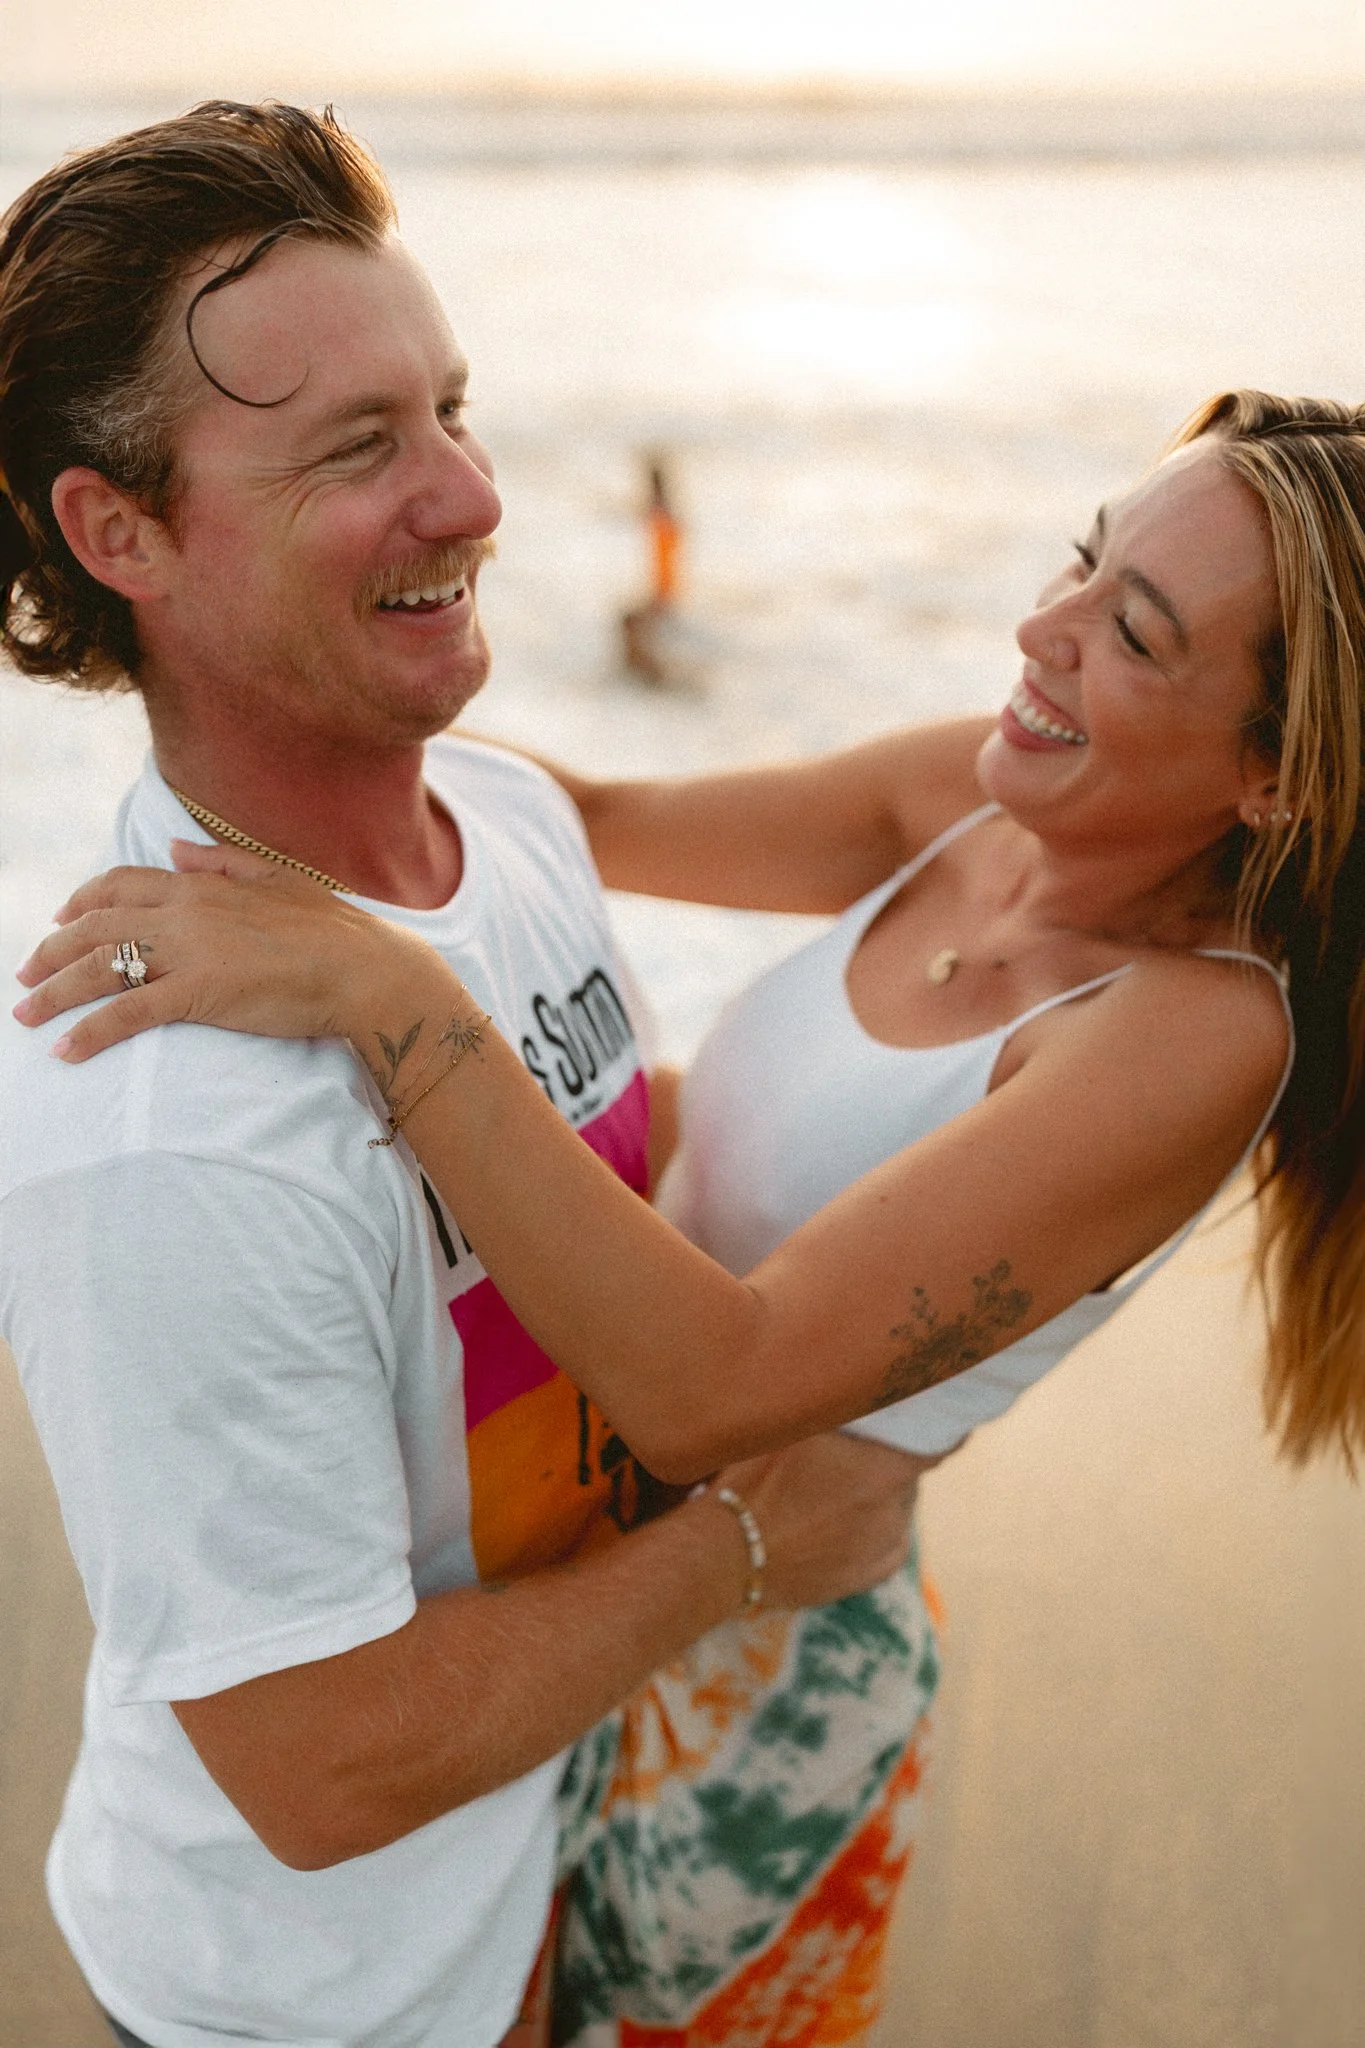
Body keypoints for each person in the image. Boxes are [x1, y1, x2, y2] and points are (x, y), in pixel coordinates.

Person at [21, 389, 1365, 2044]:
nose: (1043, 629)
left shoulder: (1193, 1035)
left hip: (755, 1664)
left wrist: (390, 997)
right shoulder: (980, 796)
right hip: (588, 1560)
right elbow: (574, 830)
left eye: (1136, 635)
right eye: (1084, 563)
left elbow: (716, 1383)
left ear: (1277, 779)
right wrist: (283, 639)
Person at [0, 103, 929, 2048]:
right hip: (318, 2001)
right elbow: (314, 1766)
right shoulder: (164, 1119)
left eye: (453, 410)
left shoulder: (503, 821)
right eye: (359, 448)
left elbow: (594, 1165)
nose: (472, 496)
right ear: (120, 532)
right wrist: (753, 1540)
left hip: (555, 1867)